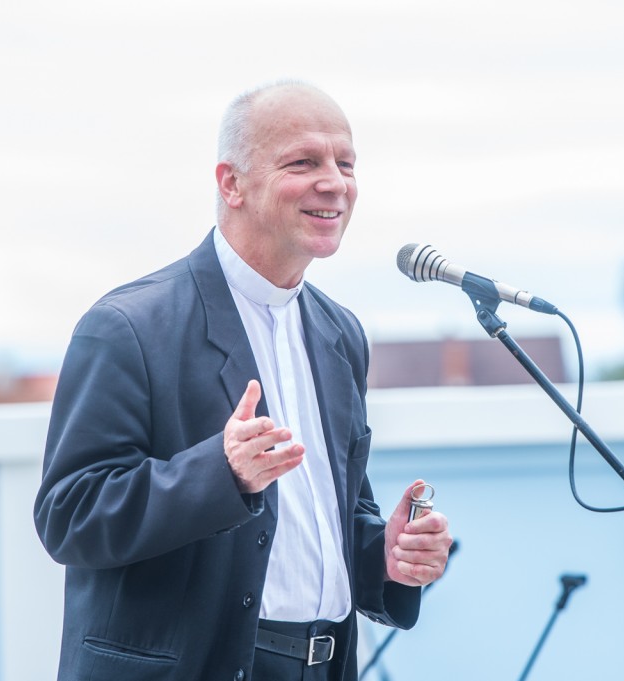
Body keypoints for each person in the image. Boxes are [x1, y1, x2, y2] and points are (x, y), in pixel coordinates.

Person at [34, 80, 453, 681]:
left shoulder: (340, 333)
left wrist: (384, 556)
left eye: (346, 164)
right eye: (303, 162)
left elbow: (328, 520)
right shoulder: (127, 326)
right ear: (231, 183)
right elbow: (69, 516)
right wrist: (221, 473)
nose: (334, 182)